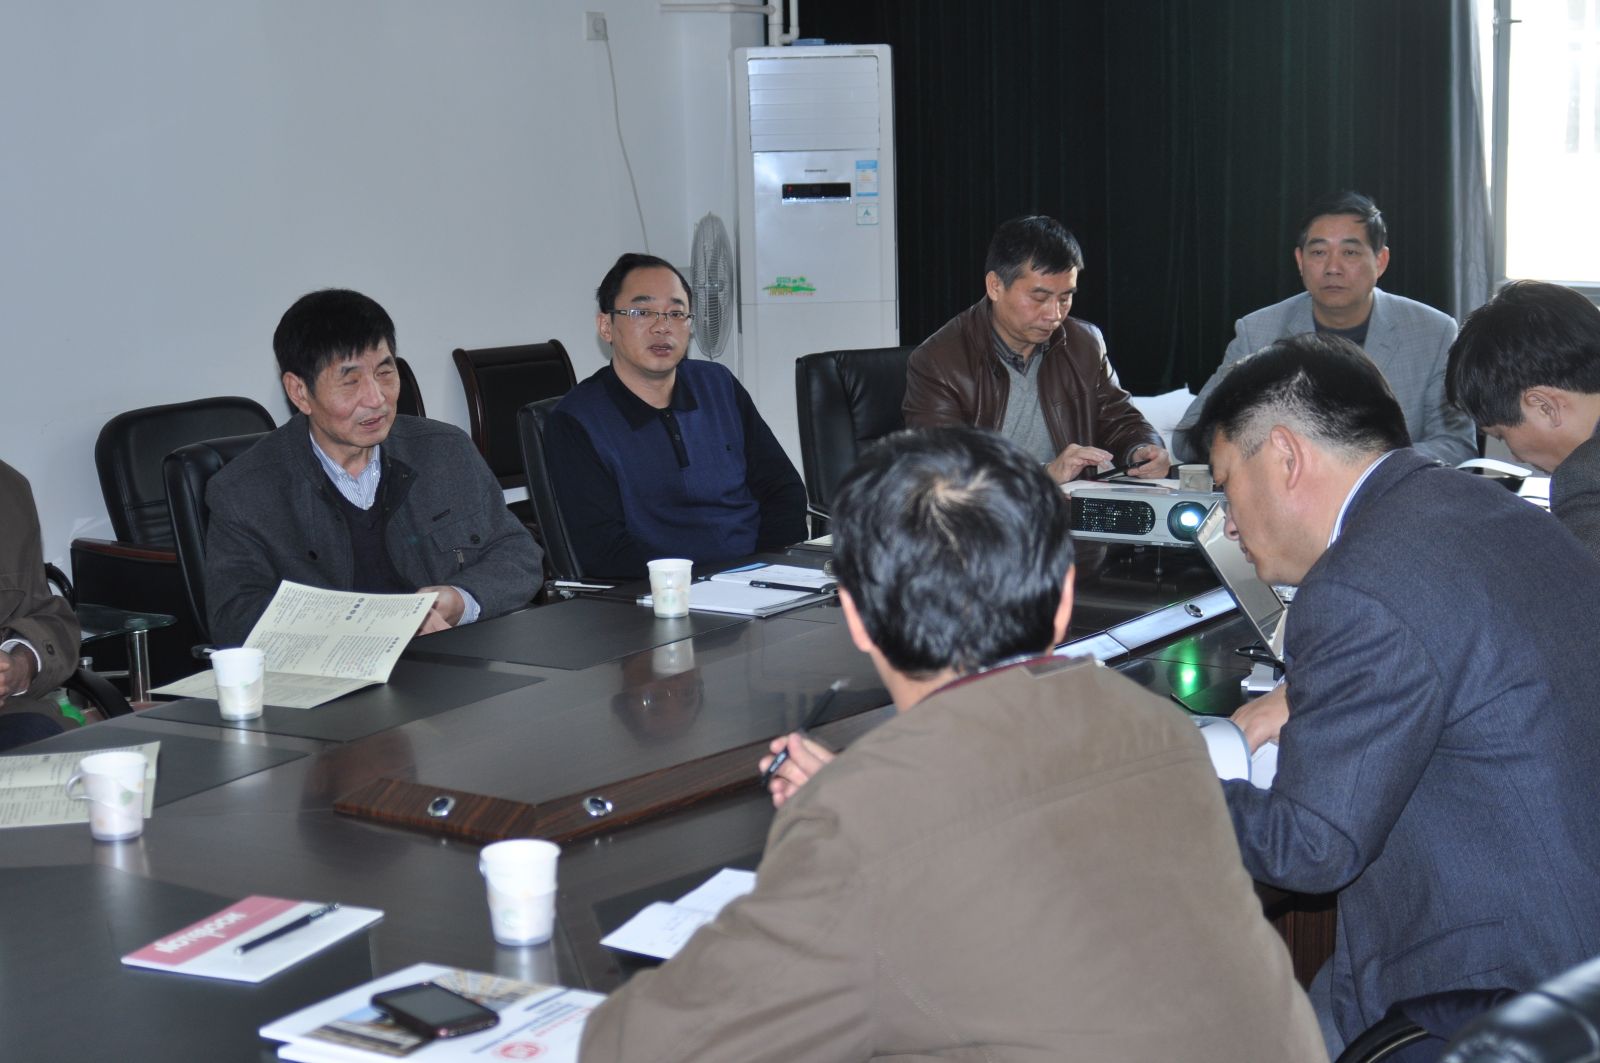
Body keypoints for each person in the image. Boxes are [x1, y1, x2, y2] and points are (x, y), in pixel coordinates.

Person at [578, 425, 1325, 1062]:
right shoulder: (1158, 727)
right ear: (1063, 598)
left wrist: (855, 818)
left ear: (855, 616)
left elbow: (642, 1046)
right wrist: (874, 803)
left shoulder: (864, 825)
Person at [1188, 332, 1600, 1056]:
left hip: (1494, 983)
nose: (1228, 520)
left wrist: (1158, 779)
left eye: (1225, 484)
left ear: (1284, 456)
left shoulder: (1358, 585)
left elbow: (1311, 849)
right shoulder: (1483, 507)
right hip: (1563, 929)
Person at [204, 289, 542, 646]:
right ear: (299, 391)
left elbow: (518, 552)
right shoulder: (243, 491)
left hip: (451, 660)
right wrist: (358, 628)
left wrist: (461, 599)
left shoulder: (445, 451)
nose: (377, 398)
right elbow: (234, 618)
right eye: (350, 382)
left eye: (385, 372)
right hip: (328, 672)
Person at [542, 253, 806, 579]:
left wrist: (767, 569)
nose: (663, 326)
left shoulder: (718, 385)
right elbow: (603, 549)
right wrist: (686, 589)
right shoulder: (577, 421)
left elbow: (783, 490)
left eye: (677, 313)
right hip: (663, 595)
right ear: (606, 326)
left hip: (757, 577)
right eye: (642, 312)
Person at [1172, 191, 1475, 466]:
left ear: (1380, 261)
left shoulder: (1433, 332)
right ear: (1300, 260)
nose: (1332, 268)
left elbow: (1456, 444)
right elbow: (1190, 435)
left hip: (1390, 498)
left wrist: (1366, 465)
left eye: (1350, 253)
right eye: (1318, 253)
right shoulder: (1258, 332)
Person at [903, 215, 1170, 483]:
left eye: (1065, 298)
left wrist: (1142, 449)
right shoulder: (938, 361)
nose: (1054, 315)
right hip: (989, 508)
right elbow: (943, 469)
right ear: (995, 286)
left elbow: (1119, 420)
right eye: (1039, 298)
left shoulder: (1084, 343)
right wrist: (1044, 474)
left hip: (1069, 504)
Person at [1447, 279, 1600, 555]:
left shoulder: (1585, 484)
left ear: (1544, 406)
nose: (1515, 458)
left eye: (1501, 436)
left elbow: (1569, 579)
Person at [0, 460, 80, 750]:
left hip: (10, 718)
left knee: (59, 748)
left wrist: (19, 666)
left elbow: (41, 613)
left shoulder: (8, 489)